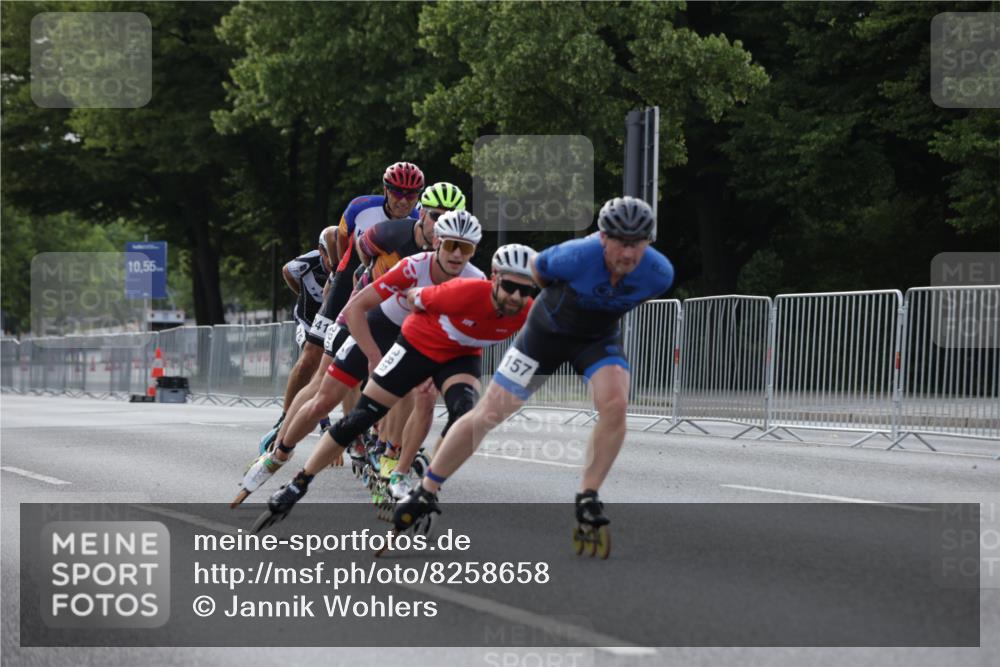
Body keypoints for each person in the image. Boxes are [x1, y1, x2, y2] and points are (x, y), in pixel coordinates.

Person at [393, 196, 674, 556]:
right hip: (546, 335)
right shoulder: (575, 255)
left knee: (616, 403)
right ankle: (426, 490)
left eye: (638, 244)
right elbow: (538, 272)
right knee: (488, 414)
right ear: (603, 237)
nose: (629, 253)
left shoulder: (659, 273)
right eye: (621, 242)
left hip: (596, 339)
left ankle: (588, 496)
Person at [255, 244, 538, 528]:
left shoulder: (531, 312)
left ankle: (426, 489)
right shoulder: (463, 290)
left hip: (461, 355)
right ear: (494, 279)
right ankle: (299, 483)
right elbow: (414, 297)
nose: (516, 296)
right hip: (419, 344)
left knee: (464, 416)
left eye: (525, 290)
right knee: (361, 418)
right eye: (509, 287)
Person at [233, 210, 483, 507]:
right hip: (373, 322)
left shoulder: (475, 280)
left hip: (414, 335)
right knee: (324, 399)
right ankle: (278, 454)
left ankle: (394, 464)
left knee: (423, 395)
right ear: (437, 242)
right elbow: (356, 304)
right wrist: (373, 357)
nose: (457, 255)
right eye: (451, 245)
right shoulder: (412, 264)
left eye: (465, 249)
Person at [255, 163, 424, 453]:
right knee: (312, 357)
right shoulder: (361, 207)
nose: (404, 200)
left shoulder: (420, 220)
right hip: (347, 282)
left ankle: (366, 434)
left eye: (411, 194)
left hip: (381, 291)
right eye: (398, 192)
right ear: (386, 190)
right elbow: (340, 238)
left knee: (375, 362)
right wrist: (338, 271)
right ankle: (285, 421)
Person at [279, 227, 337, 411]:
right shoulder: (308, 261)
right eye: (330, 256)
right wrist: (302, 293)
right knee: (310, 361)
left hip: (329, 319)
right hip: (307, 318)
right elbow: (287, 271)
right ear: (321, 251)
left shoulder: (346, 261)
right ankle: (288, 414)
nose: (334, 261)